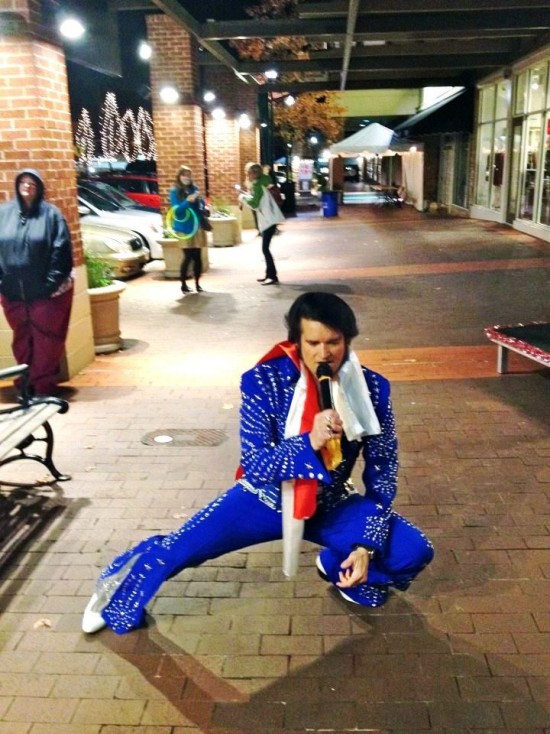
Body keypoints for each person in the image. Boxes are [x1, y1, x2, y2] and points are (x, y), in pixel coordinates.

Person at [82, 292, 434, 635]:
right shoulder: (263, 380)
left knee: (413, 550)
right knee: (178, 549)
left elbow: (383, 470)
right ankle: (115, 595)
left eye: (333, 342)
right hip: (263, 498)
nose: (324, 354)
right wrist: (309, 441)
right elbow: (256, 464)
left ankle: (335, 563)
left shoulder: (373, 388)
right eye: (313, 343)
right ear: (296, 341)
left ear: (347, 340)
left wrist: (364, 545)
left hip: (330, 501)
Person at [0, 169, 74, 397]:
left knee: (46, 343)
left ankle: (43, 387)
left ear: (39, 187)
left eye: (32, 182)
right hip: (13, 293)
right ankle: (25, 385)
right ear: (17, 185)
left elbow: (61, 252)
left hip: (45, 295)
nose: (27, 186)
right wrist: (3, 282)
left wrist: (48, 286)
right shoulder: (4, 214)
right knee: (22, 340)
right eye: (23, 182)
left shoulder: (52, 216)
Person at [239, 163, 285, 286]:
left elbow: (255, 204)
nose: (247, 175)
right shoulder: (262, 182)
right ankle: (269, 274)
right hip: (270, 219)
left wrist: (243, 198)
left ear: (254, 174)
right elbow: (258, 200)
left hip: (268, 220)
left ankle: (272, 276)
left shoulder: (258, 185)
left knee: (265, 248)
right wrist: (248, 196)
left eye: (249, 173)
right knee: (265, 248)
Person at [168, 166, 209, 294]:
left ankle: (197, 284)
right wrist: (187, 201)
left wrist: (203, 204)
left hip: (197, 226)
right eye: (184, 175)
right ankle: (183, 284)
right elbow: (176, 211)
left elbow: (200, 205)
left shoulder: (194, 188)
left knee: (197, 257)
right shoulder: (175, 191)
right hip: (184, 228)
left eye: (188, 175)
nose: (186, 177)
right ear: (179, 176)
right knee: (188, 256)